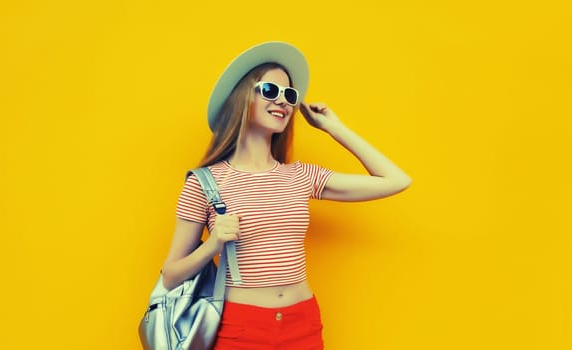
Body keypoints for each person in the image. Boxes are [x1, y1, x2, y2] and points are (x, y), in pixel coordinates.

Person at [159, 41, 411, 349]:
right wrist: (212, 244)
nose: (284, 102)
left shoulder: (300, 176)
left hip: (302, 323)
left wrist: (334, 128)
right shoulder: (205, 183)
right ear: (242, 98)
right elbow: (170, 277)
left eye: (289, 95)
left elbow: (396, 180)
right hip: (241, 327)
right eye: (270, 91)